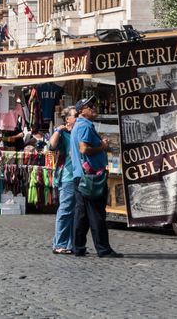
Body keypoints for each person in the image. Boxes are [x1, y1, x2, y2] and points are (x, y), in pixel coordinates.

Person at [70, 96, 122, 258]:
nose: (93, 107)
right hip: (90, 177)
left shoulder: (78, 126)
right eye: (89, 106)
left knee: (82, 214)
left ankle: (78, 247)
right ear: (81, 111)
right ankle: (103, 249)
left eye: (93, 104)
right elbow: (84, 149)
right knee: (96, 214)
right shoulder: (85, 126)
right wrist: (102, 146)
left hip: (80, 176)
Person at [49, 106, 78, 254]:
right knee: (65, 210)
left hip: (79, 176)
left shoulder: (78, 132)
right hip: (67, 177)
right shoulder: (64, 134)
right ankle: (59, 243)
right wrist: (58, 130)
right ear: (67, 119)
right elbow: (52, 146)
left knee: (74, 212)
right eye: (75, 115)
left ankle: (69, 244)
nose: (78, 117)